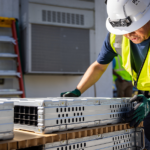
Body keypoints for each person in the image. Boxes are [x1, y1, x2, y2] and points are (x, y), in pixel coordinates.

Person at [61, 0, 150, 148]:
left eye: (134, 28)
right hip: (143, 98)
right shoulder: (117, 37)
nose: (129, 34)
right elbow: (99, 67)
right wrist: (78, 91)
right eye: (123, 29)